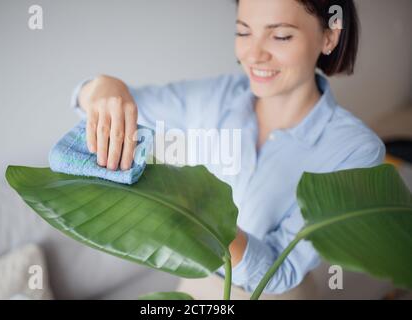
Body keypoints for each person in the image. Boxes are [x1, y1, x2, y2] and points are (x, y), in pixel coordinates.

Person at [70, 0, 385, 299]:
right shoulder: (217, 96)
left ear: (329, 36)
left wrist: (203, 212)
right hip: (198, 285)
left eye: (280, 36)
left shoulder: (356, 150)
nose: (253, 54)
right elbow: (98, 105)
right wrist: (104, 87)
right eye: (243, 32)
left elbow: (281, 268)